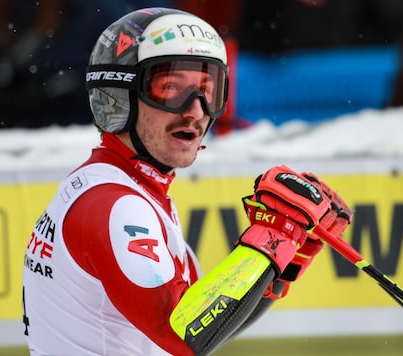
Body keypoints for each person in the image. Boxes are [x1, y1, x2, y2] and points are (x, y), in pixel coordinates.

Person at [21, 7, 352, 356]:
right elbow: (184, 334)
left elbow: (212, 325)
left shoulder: (123, 189)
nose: (195, 111)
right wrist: (275, 236)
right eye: (171, 89)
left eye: (208, 90)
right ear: (119, 95)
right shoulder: (117, 206)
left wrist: (289, 254)